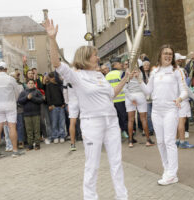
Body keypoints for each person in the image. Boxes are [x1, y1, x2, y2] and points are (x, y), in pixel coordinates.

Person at [45, 19, 129, 200]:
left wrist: (125, 79)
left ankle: (122, 196)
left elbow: (111, 94)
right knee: (93, 164)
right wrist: (52, 39)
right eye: (95, 55)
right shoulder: (76, 76)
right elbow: (56, 63)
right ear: (85, 57)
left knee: (116, 162)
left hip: (111, 122)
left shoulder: (100, 75)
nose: (98, 58)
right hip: (93, 124)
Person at [137, 44, 188, 186]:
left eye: (170, 54)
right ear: (160, 55)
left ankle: (172, 173)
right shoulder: (155, 71)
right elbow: (147, 91)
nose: (168, 56)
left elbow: (184, 90)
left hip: (171, 110)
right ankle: (167, 169)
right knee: (160, 141)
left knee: (169, 141)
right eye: (165, 53)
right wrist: (139, 80)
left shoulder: (177, 71)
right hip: (156, 111)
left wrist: (180, 98)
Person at [0, 62, 21, 159]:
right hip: (10, 105)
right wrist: (13, 100)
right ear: (6, 69)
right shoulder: (10, 79)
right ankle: (15, 151)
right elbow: (17, 93)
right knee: (12, 127)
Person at [124, 59, 155, 148]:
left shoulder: (127, 72)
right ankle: (148, 140)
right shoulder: (140, 73)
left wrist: (131, 98)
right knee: (143, 119)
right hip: (140, 96)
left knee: (130, 120)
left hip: (129, 97)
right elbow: (143, 86)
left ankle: (130, 141)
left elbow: (125, 88)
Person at [106, 57, 129, 139]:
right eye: (119, 63)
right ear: (114, 65)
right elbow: (127, 84)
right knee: (124, 118)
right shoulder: (121, 73)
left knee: (116, 119)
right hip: (122, 100)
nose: (121, 64)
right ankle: (125, 132)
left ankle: (119, 133)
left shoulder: (107, 75)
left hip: (112, 101)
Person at [18, 79, 44, 150]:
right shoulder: (23, 92)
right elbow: (20, 101)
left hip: (36, 114)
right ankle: (30, 145)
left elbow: (41, 100)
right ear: (27, 84)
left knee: (36, 130)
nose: (31, 84)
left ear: (34, 84)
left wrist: (32, 98)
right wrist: (27, 98)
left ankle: (37, 144)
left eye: (32, 83)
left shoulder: (37, 91)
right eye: (29, 83)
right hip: (27, 114)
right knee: (29, 130)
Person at [46, 72, 66, 144]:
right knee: (54, 123)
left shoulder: (58, 85)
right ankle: (55, 136)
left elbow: (62, 94)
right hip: (53, 107)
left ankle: (62, 136)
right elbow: (47, 96)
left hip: (61, 106)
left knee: (62, 122)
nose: (55, 78)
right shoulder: (48, 86)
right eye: (54, 77)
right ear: (51, 78)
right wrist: (50, 105)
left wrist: (63, 103)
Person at [10, 71, 26, 149]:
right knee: (12, 125)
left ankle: (20, 140)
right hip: (10, 108)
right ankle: (13, 141)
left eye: (15, 77)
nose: (14, 78)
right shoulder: (7, 86)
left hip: (19, 107)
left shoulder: (20, 86)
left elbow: (22, 96)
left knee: (20, 125)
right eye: (12, 77)